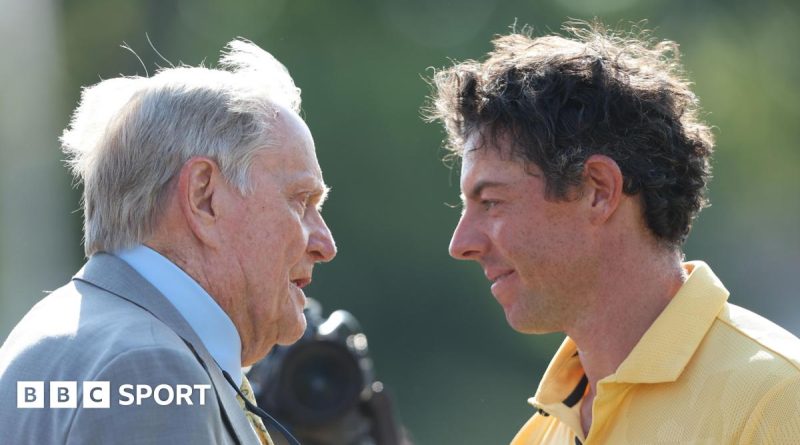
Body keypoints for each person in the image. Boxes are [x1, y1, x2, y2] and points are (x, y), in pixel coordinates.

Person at [426, 20, 800, 444]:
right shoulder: (540, 433)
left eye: (491, 202)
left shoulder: (778, 401)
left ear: (599, 191)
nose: (461, 244)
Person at [0, 39, 336, 444]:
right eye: (300, 202)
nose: (325, 244)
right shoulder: (152, 367)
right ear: (204, 197)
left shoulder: (61, 332)